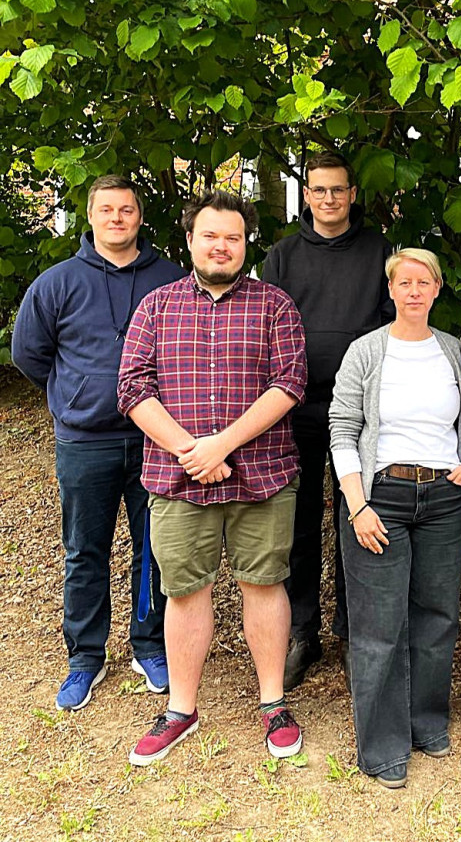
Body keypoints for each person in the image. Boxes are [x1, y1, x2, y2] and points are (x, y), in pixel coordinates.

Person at [118, 190, 308, 765]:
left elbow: (290, 383)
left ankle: (273, 703)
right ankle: (181, 709)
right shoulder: (156, 306)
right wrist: (192, 452)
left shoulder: (275, 305)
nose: (221, 246)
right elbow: (132, 388)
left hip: (263, 475)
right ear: (190, 240)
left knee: (265, 584)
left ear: (246, 244)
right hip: (177, 479)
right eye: (210, 236)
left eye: (232, 237)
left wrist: (222, 445)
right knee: (184, 590)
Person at [12, 175, 185, 711]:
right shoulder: (57, 282)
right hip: (85, 442)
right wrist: (75, 395)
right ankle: (85, 656)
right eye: (106, 209)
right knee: (85, 551)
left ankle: (150, 645)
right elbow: (28, 354)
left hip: (155, 439)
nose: (116, 218)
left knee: (154, 550)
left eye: (126, 209)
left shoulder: (169, 279)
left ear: (139, 217)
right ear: (90, 216)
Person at [328, 248, 461, 789]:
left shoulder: (454, 350)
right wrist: (357, 505)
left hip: (444, 499)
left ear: (437, 289)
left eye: (424, 282)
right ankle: (382, 745)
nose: (414, 291)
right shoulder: (366, 351)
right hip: (381, 499)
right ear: (391, 289)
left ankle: (426, 722)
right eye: (404, 282)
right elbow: (342, 428)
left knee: (437, 616)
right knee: (379, 627)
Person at [262, 151, 394, 692]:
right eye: (319, 190)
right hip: (293, 409)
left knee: (355, 518)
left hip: (358, 412)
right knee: (297, 524)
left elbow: (391, 327)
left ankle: (351, 632)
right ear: (307, 196)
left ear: (353, 194)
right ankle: (302, 631)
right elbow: (266, 328)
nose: (329, 199)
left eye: (338, 189)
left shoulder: (380, 252)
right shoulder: (282, 256)